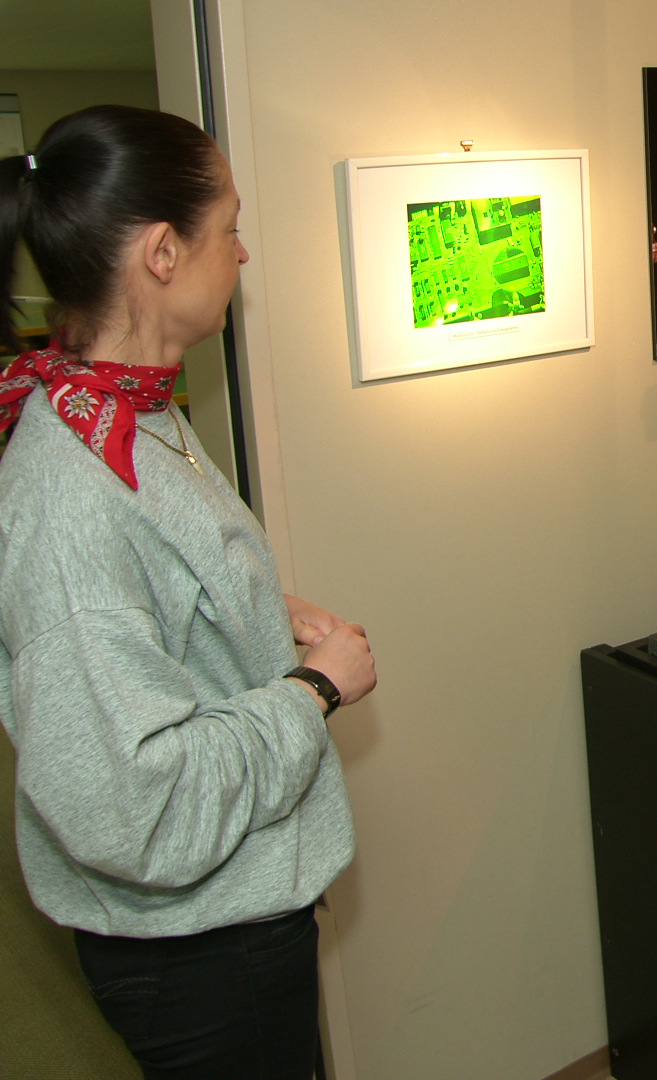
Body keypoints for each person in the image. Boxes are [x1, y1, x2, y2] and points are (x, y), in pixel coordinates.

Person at [0, 105, 377, 1079]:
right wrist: (315, 690)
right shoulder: (69, 492)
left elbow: (146, 597)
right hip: (200, 956)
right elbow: (131, 805)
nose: (242, 254)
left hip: (232, 915)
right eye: (230, 227)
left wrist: (250, 611)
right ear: (163, 252)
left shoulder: (129, 409)